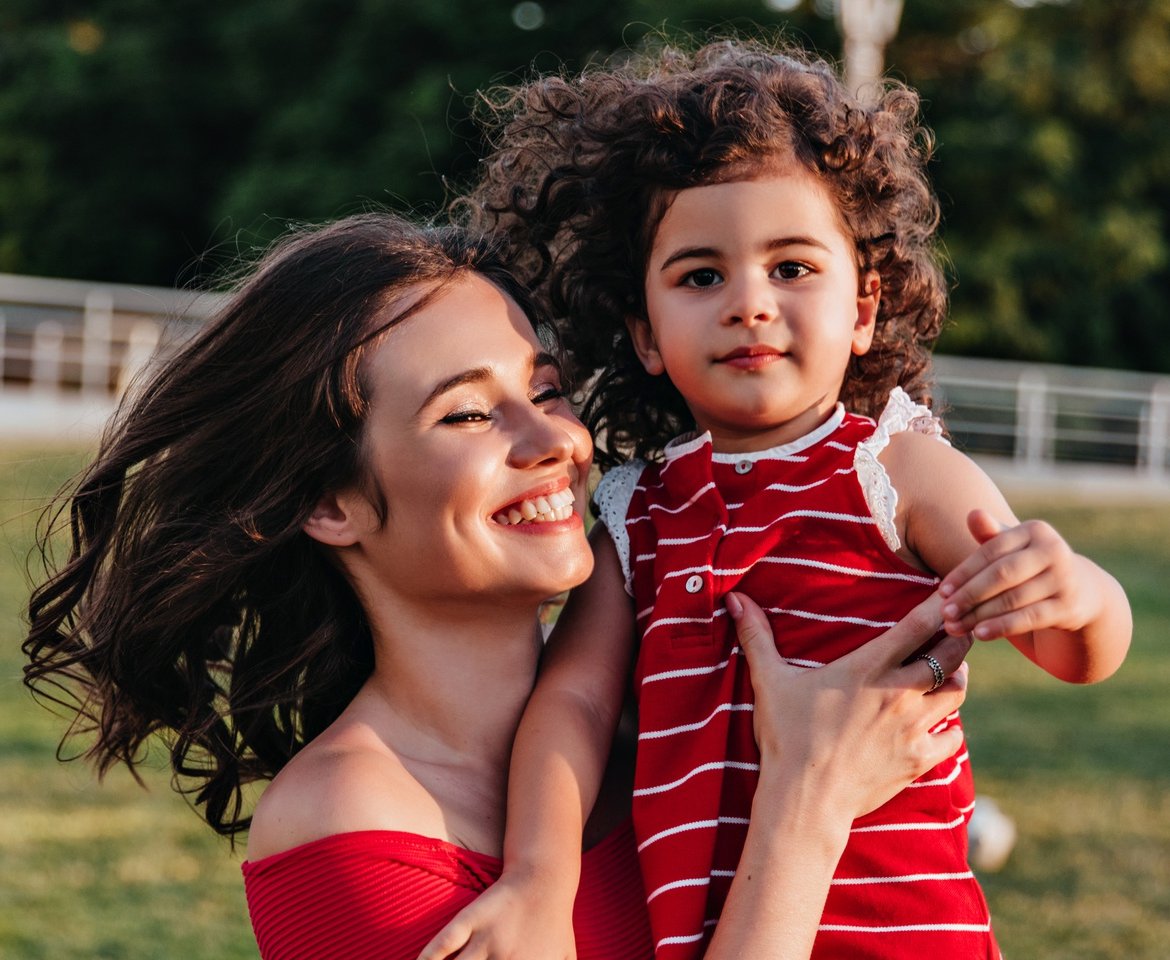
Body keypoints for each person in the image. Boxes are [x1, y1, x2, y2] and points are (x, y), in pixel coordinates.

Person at [23, 211, 975, 960]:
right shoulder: (349, 826)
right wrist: (804, 813)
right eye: (470, 414)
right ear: (329, 502)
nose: (553, 439)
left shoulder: (669, 723)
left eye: (548, 390)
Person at [427, 38, 1134, 959]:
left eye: (792, 268)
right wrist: (538, 877)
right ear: (646, 335)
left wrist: (1079, 594)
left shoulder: (898, 471)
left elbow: (1071, 651)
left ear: (863, 310)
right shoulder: (637, 517)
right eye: (701, 276)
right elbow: (574, 710)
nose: (749, 302)